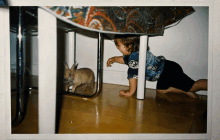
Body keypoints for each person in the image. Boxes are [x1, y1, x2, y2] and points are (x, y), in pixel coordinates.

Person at [106, 34, 207, 98]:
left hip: (168, 71)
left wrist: (130, 92)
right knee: (161, 91)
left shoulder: (134, 58)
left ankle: (211, 85)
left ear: (129, 46)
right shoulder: (133, 54)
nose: (117, 47)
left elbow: (132, 75)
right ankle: (186, 90)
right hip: (164, 73)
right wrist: (114, 59)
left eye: (118, 45)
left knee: (194, 85)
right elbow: (124, 60)